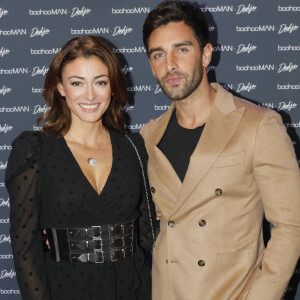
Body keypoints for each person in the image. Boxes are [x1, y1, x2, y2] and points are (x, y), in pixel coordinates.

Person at [140, 1, 300, 300]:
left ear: (206, 54)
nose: (170, 64)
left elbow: (292, 226)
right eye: (158, 54)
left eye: (182, 49)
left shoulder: (258, 125)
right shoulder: (149, 136)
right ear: (151, 64)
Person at [5, 36, 156, 300]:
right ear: (61, 87)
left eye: (100, 82)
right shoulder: (35, 150)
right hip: (66, 287)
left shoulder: (133, 147)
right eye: (77, 83)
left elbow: (147, 233)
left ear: (112, 87)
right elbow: (25, 249)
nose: (90, 95)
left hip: (132, 287)